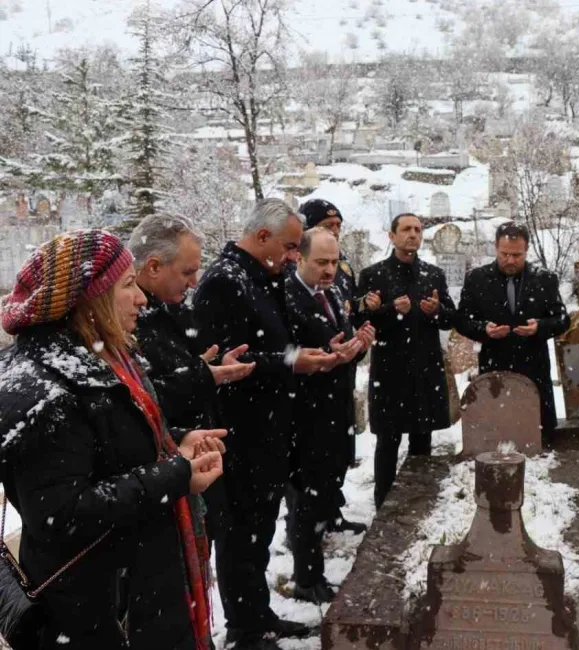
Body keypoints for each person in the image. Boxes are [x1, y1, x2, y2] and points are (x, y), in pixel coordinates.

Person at [0, 230, 226, 650]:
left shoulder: (102, 358)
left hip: (139, 595)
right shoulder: (45, 391)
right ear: (89, 299)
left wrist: (175, 442)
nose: (141, 298)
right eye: (127, 286)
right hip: (103, 615)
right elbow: (61, 514)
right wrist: (175, 474)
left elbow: (111, 444)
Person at [193, 198, 344, 650]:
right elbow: (225, 359)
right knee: (241, 535)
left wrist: (310, 350)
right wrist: (291, 362)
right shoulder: (225, 281)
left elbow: (281, 337)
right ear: (262, 237)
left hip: (270, 427)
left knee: (258, 533)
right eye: (292, 246)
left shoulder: (264, 274)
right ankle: (245, 628)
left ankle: (257, 614)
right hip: (241, 431)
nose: (296, 256)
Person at [130, 214, 255, 547]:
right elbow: (140, 402)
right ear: (153, 266)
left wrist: (212, 369)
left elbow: (182, 370)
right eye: (187, 272)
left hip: (191, 473)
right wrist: (202, 377)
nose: (194, 282)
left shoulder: (172, 309)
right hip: (164, 487)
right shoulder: (126, 322)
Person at [284, 228, 373, 603]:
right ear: (300, 258)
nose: (329, 270)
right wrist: (328, 351)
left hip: (335, 409)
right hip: (304, 414)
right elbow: (285, 353)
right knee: (306, 500)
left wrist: (359, 344)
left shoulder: (335, 292)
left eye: (334, 261)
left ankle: (317, 557)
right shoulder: (286, 297)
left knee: (327, 487)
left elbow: (343, 344)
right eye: (321, 262)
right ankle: (307, 579)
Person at [359, 213, 456, 508]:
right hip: (389, 371)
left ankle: (420, 499)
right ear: (391, 236)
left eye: (417, 229)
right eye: (406, 229)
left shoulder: (433, 274)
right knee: (388, 443)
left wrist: (435, 310)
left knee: (422, 441)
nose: (413, 234)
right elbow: (361, 320)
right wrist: (389, 309)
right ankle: (384, 505)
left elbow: (450, 318)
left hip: (424, 369)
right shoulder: (373, 275)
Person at [457, 222, 569, 440]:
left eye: (517, 255)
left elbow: (562, 319)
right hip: (494, 367)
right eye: (505, 253)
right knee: (495, 437)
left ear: (526, 251)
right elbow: (461, 320)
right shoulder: (477, 279)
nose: (510, 260)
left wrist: (540, 327)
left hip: (534, 367)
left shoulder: (544, 279)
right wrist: (484, 329)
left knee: (539, 441)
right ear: (496, 248)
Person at [299, 198, 366, 529]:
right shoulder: (295, 279)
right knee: (314, 463)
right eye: (328, 226)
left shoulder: (344, 269)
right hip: (312, 387)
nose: (335, 232)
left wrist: (358, 340)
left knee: (340, 451)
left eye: (339, 227)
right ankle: (310, 527)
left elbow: (349, 310)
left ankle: (331, 509)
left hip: (342, 375)